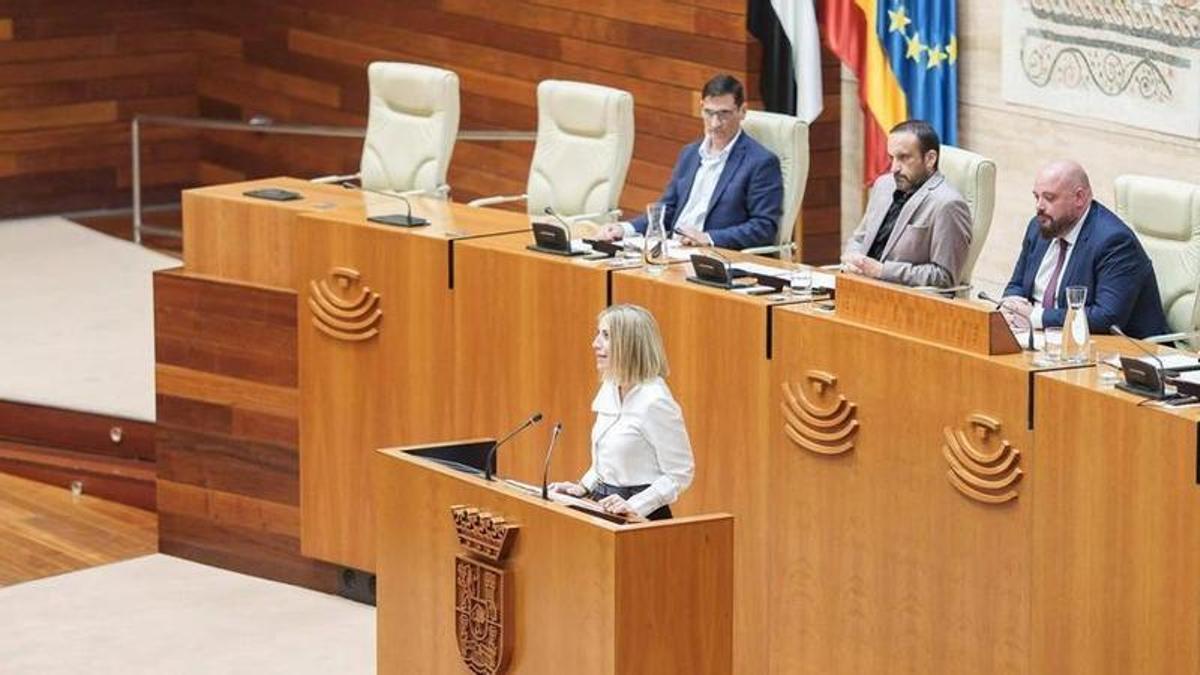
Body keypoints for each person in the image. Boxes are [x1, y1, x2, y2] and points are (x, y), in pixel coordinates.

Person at [593, 74, 783, 250]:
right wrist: (624, 228)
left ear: (742, 111)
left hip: (712, 256)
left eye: (724, 114)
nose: (715, 123)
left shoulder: (761, 162)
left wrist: (709, 238)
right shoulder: (690, 153)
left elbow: (764, 227)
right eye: (709, 113)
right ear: (701, 108)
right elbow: (667, 209)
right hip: (672, 249)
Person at [549, 304, 694, 520]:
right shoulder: (611, 386)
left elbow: (680, 473)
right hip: (603, 505)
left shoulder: (655, 401)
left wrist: (634, 505)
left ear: (630, 344)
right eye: (598, 334)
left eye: (606, 336)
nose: (595, 343)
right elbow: (607, 460)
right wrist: (583, 487)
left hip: (642, 517)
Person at [1000, 160, 1168, 338]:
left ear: (1079, 198)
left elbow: (1106, 318)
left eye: (1049, 198)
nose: (1039, 206)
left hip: (1109, 347)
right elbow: (1017, 284)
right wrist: (1011, 306)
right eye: (1036, 197)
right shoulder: (1040, 226)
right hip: (1035, 338)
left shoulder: (1114, 241)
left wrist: (1036, 317)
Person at [842, 119, 972, 288]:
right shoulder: (883, 185)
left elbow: (944, 277)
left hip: (902, 298)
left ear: (930, 159)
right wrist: (853, 259)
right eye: (891, 158)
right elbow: (860, 238)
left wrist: (882, 271)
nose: (894, 168)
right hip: (859, 287)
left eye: (904, 158)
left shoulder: (948, 204)